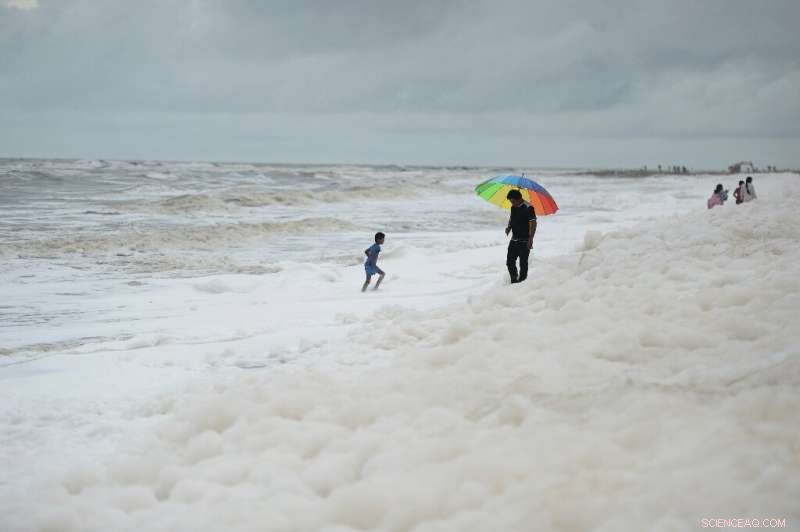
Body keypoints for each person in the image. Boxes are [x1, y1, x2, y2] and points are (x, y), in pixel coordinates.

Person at [504, 189, 537, 283]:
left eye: (513, 201)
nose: (512, 203)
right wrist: (509, 227)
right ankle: (514, 281)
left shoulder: (529, 207)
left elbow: (533, 223)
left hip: (525, 240)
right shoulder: (513, 207)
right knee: (509, 262)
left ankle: (522, 283)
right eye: (511, 201)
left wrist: (531, 238)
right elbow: (512, 218)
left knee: (523, 264)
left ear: (519, 199)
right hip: (514, 239)